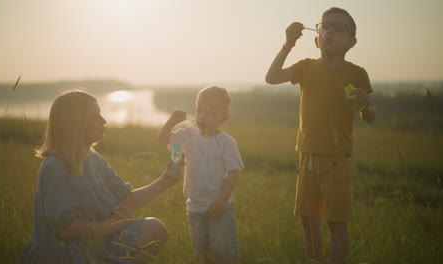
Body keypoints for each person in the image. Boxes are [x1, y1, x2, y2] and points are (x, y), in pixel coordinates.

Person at [265, 7, 375, 264]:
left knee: (336, 224)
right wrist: (288, 44)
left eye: (339, 27)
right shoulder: (306, 68)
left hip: (338, 158)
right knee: (309, 221)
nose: (330, 31)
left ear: (351, 42)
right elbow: (271, 78)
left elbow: (368, 115)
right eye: (325, 26)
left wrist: (367, 104)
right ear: (316, 38)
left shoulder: (356, 74)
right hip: (307, 156)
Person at [20, 89, 182, 264]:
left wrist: (164, 181)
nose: (104, 121)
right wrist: (111, 224)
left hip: (100, 242)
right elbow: (66, 230)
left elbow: (126, 198)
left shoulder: (94, 159)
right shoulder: (55, 167)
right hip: (67, 253)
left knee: (155, 230)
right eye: (96, 117)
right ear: (76, 124)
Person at [157, 85, 244, 264]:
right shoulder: (188, 134)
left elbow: (233, 173)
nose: (203, 116)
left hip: (219, 207)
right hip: (195, 207)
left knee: (223, 253)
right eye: (200, 111)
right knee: (201, 253)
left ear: (224, 118)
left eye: (211, 113)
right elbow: (163, 139)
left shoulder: (227, 142)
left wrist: (221, 200)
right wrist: (172, 121)